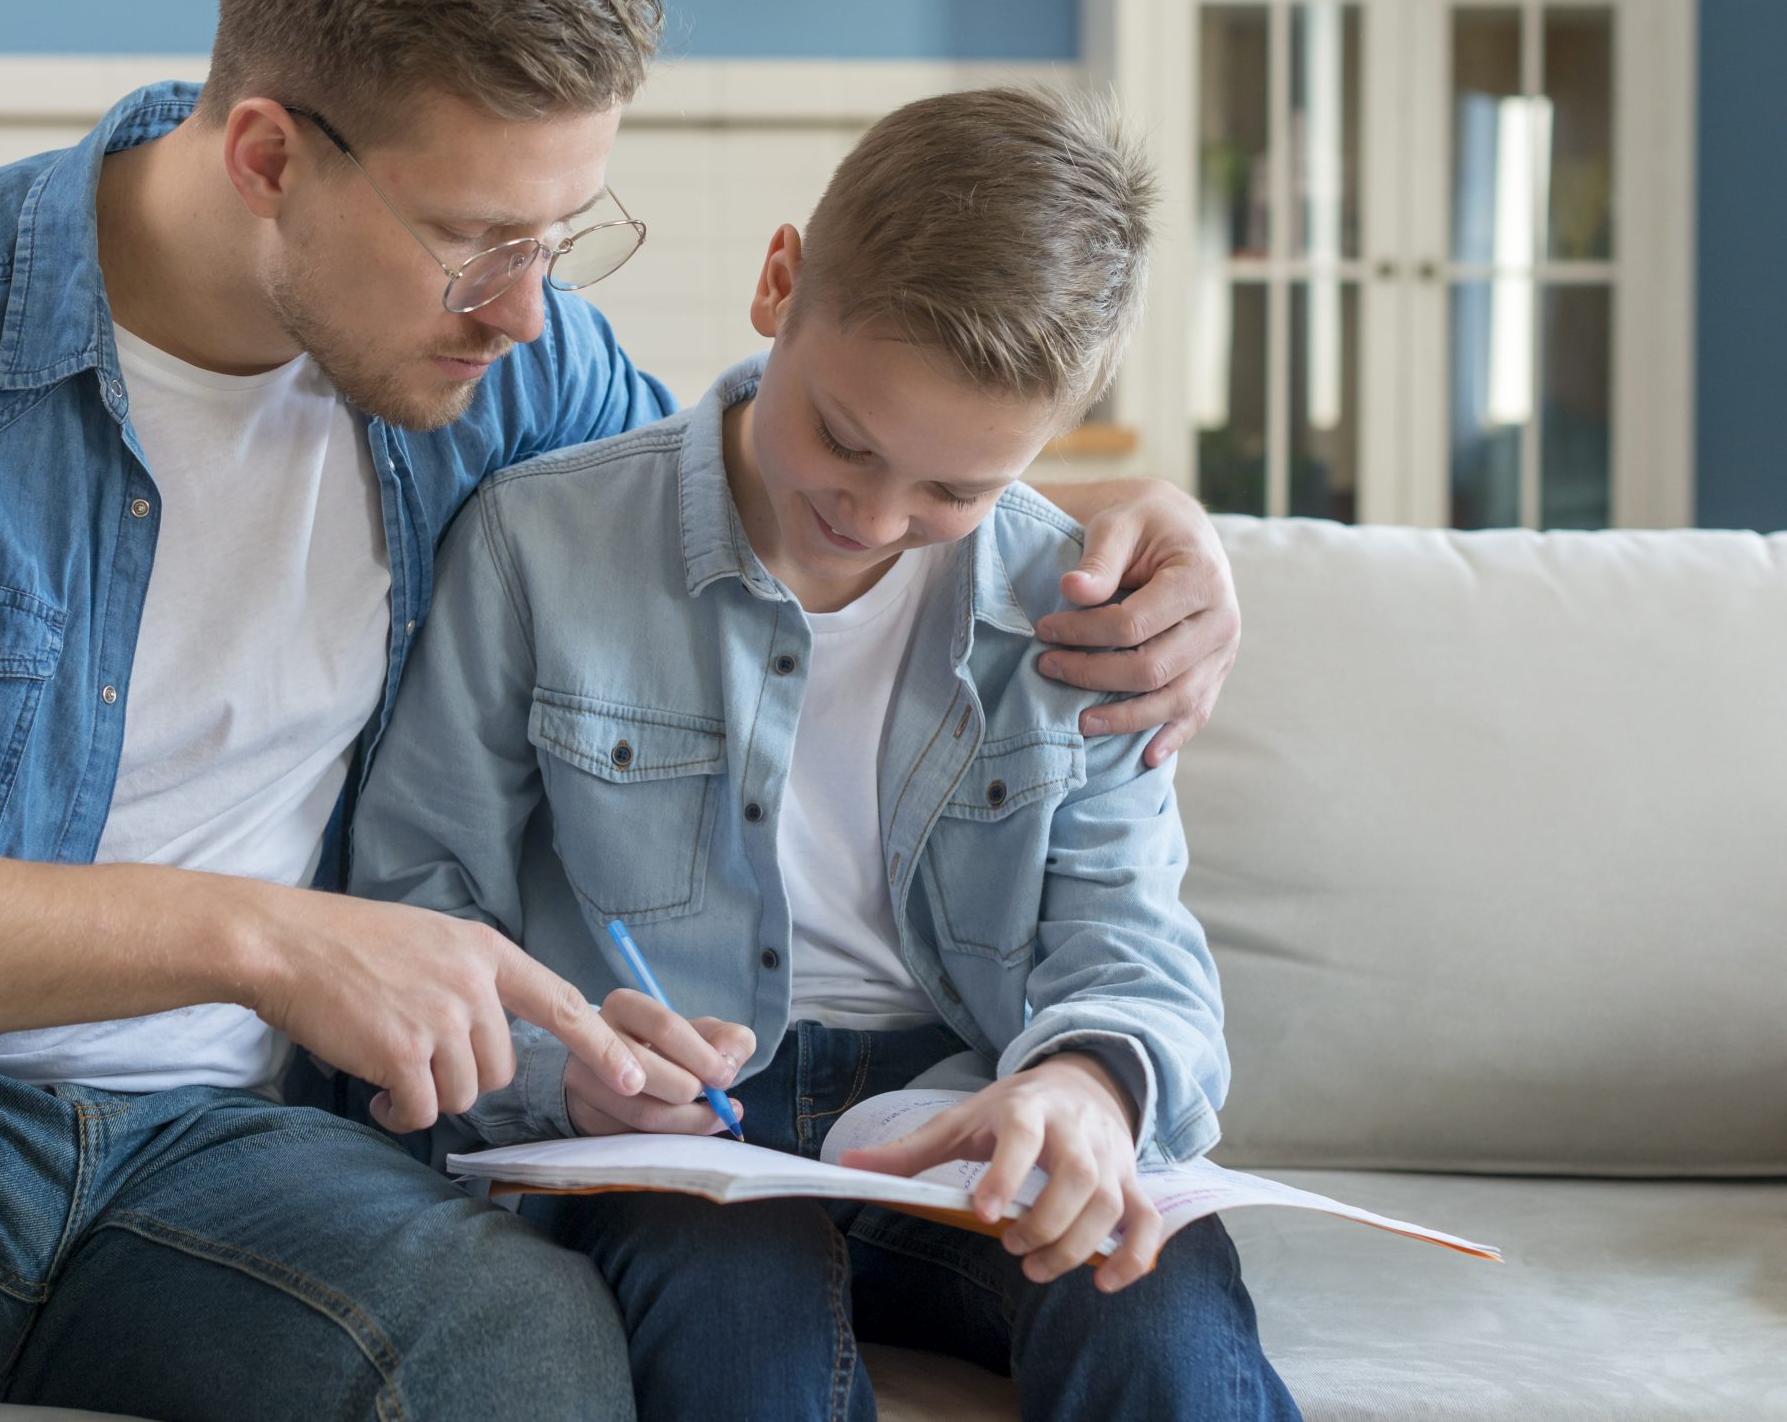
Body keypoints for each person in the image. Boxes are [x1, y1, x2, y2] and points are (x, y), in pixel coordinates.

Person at [0, 0, 1248, 1422]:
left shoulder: (508, 385)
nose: (532, 314)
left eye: (569, 235)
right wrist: (259, 938)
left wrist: (1127, 535)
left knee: (528, 1352)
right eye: (482, 242)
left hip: (239, 1167)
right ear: (262, 156)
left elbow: (784, 481)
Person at [349, 88, 1298, 1421]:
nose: (874, 514)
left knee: (1153, 1289)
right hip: (678, 1149)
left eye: (956, 490)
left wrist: (1088, 1086)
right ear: (778, 282)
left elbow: (1133, 939)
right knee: (731, 1323)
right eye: (845, 440)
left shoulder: (1080, 606)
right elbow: (412, 895)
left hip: (970, 1112)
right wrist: (573, 1076)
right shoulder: (540, 545)